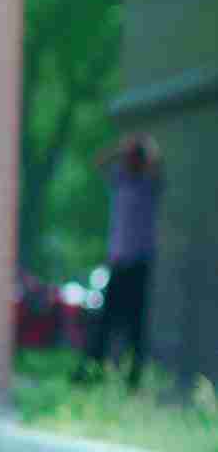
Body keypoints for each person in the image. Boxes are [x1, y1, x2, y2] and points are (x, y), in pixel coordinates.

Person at [80, 133, 162, 389]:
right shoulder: (121, 182)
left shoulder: (148, 186)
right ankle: (92, 372)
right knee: (105, 323)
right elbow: (98, 162)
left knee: (135, 325)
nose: (129, 162)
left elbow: (156, 164)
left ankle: (134, 378)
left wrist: (145, 147)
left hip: (138, 265)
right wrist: (120, 148)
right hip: (118, 264)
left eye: (133, 158)